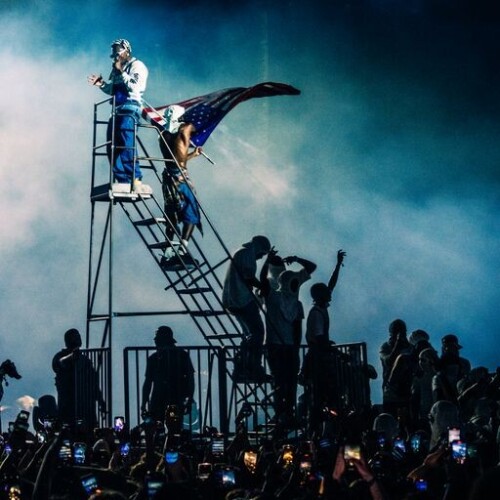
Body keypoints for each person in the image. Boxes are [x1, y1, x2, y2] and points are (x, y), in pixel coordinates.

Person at [260, 251, 316, 431]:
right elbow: (298, 328)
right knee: (284, 383)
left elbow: (262, 279)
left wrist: (267, 262)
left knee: (284, 383)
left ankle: (285, 415)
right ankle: (283, 415)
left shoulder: (275, 297)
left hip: (280, 347)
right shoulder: (288, 300)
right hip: (283, 347)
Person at [87, 39, 150, 193]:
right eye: (113, 52)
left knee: (126, 141)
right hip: (116, 110)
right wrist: (101, 84)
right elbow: (113, 90)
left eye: (118, 51)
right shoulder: (116, 69)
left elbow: (136, 86)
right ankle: (123, 180)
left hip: (130, 107)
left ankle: (136, 178)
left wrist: (121, 71)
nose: (115, 55)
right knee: (111, 145)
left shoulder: (137, 66)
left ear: (126, 51)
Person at [300, 249, 346, 436]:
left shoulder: (319, 309)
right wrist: (336, 352)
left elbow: (331, 285)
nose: (330, 294)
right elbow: (319, 341)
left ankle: (321, 428)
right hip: (317, 360)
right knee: (320, 396)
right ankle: (316, 431)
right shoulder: (316, 314)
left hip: (319, 357)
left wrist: (337, 266)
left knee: (323, 396)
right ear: (321, 296)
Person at [158, 105, 204, 270]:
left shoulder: (163, 134)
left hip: (169, 177)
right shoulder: (183, 130)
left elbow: (177, 158)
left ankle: (168, 254)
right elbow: (197, 125)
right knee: (191, 213)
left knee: (172, 216)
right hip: (181, 179)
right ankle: (182, 251)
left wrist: (193, 154)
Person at [222, 235, 272, 382]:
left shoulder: (242, 252)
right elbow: (248, 277)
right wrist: (263, 287)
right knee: (257, 332)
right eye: (262, 254)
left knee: (249, 334)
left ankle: (243, 367)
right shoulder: (247, 253)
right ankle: (253, 366)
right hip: (241, 299)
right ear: (259, 248)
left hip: (234, 299)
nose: (260, 257)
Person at [52, 328, 106, 434]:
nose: (78, 337)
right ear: (68, 340)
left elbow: (93, 383)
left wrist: (100, 401)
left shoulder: (85, 361)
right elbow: (59, 363)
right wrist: (71, 357)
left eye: (78, 335)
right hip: (68, 406)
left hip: (86, 406)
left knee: (91, 434)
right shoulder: (60, 356)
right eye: (75, 335)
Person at [140, 326, 195, 424]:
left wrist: (144, 403)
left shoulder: (154, 358)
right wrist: (189, 399)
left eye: (157, 338)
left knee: (158, 426)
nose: (155, 340)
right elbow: (190, 379)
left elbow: (148, 382)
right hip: (174, 398)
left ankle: (161, 438)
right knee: (173, 426)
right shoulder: (182, 355)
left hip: (160, 399)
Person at [432, 334, 471, 405]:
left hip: (459, 396)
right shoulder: (439, 364)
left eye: (453, 347)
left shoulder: (464, 362)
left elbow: (466, 378)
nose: (451, 350)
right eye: (447, 347)